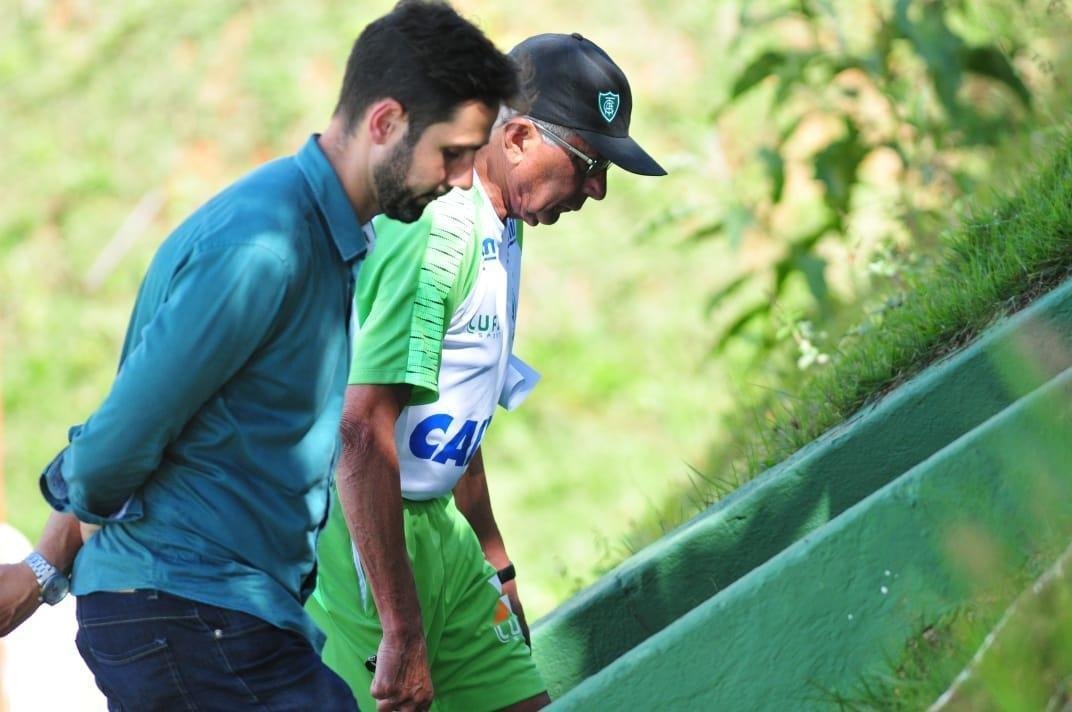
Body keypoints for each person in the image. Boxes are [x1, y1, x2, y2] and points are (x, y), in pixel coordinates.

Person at [0, 2, 518, 709]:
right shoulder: (265, 246)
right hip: (187, 611)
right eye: (452, 153)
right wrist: (49, 555)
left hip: (217, 616)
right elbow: (117, 442)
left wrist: (45, 565)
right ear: (386, 123)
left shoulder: (325, 234)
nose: (463, 179)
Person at [305, 32, 665, 712]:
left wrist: (497, 565)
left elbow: (454, 410)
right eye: (590, 163)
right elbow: (362, 431)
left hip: (438, 529)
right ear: (521, 135)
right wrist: (402, 629)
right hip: (362, 539)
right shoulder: (439, 230)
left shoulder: (504, 225)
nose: (597, 189)